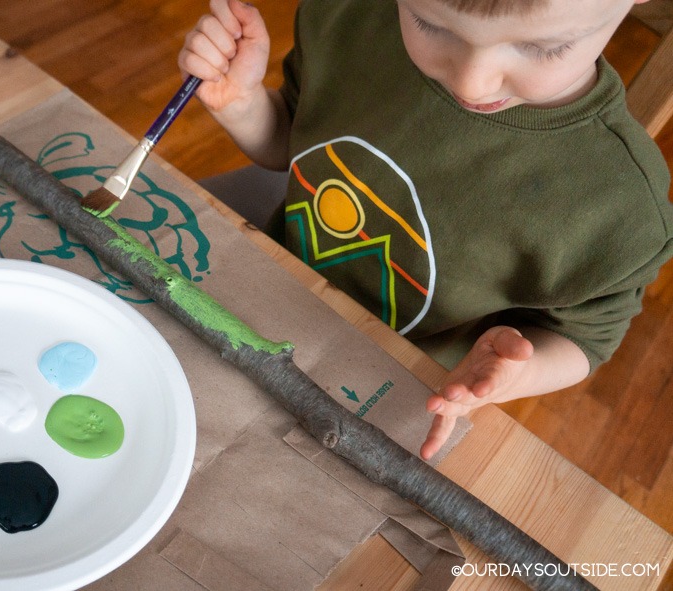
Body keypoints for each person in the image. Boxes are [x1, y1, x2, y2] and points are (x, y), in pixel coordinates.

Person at [179, 0, 673, 460]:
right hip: (252, 293)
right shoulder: (350, 17)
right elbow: (295, 144)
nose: (473, 83)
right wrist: (243, 104)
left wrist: (523, 372)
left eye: (544, 48)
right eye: (430, 25)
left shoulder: (620, 203)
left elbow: (589, 337)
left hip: (383, 391)